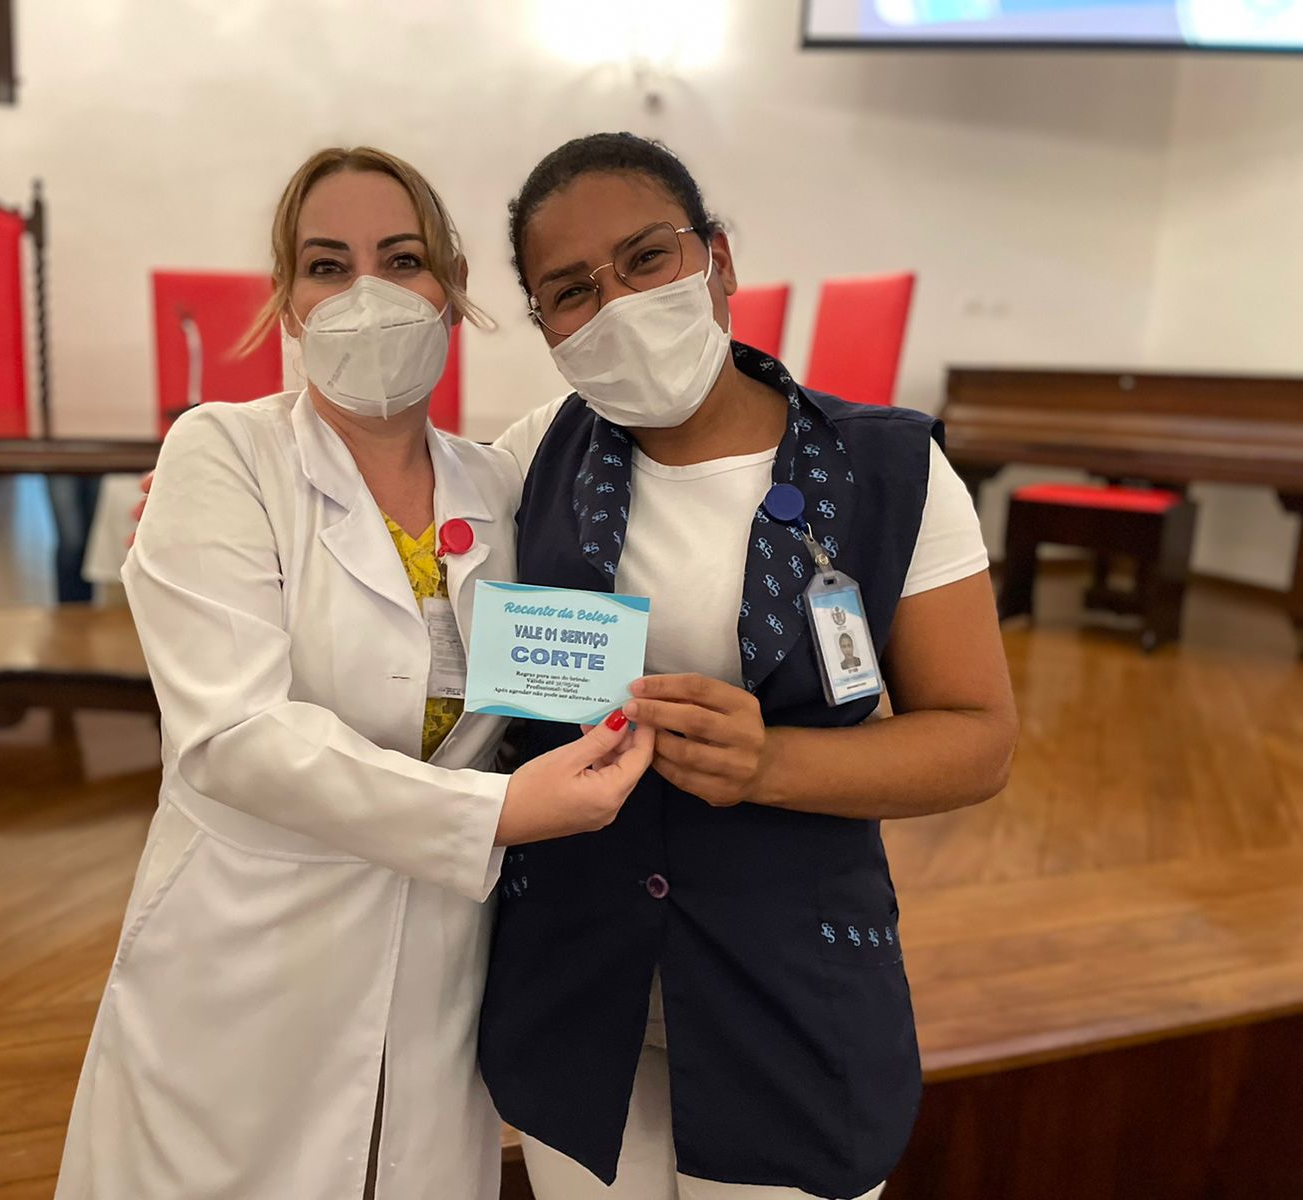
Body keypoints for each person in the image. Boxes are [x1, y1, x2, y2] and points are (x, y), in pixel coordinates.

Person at [54, 147, 654, 1200]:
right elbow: (234, 738)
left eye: (402, 259)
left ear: (452, 286)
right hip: (248, 948)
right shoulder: (224, 454)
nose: (367, 294)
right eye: (328, 265)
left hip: (439, 960)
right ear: (288, 301)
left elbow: (551, 659)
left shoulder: (498, 483)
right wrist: (499, 813)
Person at [480, 133, 1018, 1200]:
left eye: (647, 258)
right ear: (544, 327)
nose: (619, 303)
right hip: (575, 986)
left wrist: (770, 763)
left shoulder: (888, 471)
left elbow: (976, 741)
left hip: (789, 991)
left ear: (717, 260)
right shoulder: (531, 459)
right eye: (571, 290)